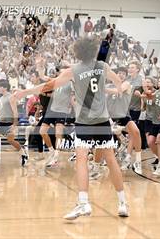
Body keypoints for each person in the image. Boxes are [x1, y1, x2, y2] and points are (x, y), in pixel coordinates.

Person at [15, 37, 129, 220]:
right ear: (93, 51)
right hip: (102, 120)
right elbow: (119, 85)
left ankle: (84, 203)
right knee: (110, 159)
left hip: (84, 121)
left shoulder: (73, 71)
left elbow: (47, 86)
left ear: (77, 52)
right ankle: (123, 203)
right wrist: (122, 87)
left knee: (81, 160)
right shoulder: (102, 66)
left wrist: (25, 92)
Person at [106, 67, 142, 175]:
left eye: (123, 73)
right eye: (119, 73)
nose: (121, 75)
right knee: (106, 141)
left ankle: (138, 161)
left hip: (123, 115)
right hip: (110, 117)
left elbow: (118, 90)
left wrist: (101, 88)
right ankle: (122, 142)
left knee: (135, 132)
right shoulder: (108, 85)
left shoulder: (127, 84)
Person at [40, 66, 73, 167]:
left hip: (62, 111)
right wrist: (39, 66)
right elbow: (42, 76)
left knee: (58, 134)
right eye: (60, 73)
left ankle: (56, 156)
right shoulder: (56, 81)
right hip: (51, 110)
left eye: (63, 73)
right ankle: (51, 151)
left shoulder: (70, 83)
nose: (61, 74)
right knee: (42, 131)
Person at [0, 80, 28, 168]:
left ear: (4, 88)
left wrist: (14, 125)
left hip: (9, 122)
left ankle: (23, 154)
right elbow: (1, 109)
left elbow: (15, 111)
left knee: (10, 140)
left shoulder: (11, 97)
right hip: (2, 121)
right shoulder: (2, 97)